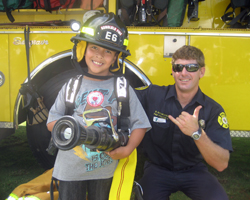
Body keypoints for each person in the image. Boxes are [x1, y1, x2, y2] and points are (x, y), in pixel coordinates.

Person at [46, 12, 151, 200]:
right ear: (82, 49)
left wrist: (127, 149)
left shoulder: (122, 88)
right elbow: (52, 120)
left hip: (106, 171)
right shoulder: (72, 85)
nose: (99, 55)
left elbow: (140, 124)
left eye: (108, 51)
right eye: (94, 47)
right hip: (70, 170)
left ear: (116, 57)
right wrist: (73, 132)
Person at [135, 45, 233, 200]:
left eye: (191, 68)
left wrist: (197, 133)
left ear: (202, 72)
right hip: (157, 170)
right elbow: (121, 96)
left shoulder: (213, 109)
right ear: (173, 71)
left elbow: (221, 164)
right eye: (178, 67)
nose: (184, 73)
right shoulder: (152, 95)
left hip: (193, 171)